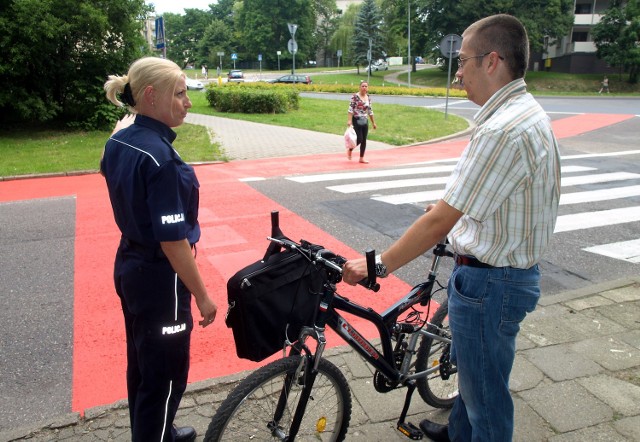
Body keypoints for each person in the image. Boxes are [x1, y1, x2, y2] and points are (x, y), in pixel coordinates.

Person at [343, 14, 561, 442]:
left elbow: (441, 220)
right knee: (477, 379)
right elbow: (504, 194)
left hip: (490, 282)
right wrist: (457, 209)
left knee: (487, 402)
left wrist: (379, 266)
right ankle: (457, 434)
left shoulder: (503, 129)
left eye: (463, 61)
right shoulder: (524, 112)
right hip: (504, 274)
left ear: (492, 61)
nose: (457, 72)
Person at [101, 57, 218, 442]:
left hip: (130, 266)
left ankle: (157, 432)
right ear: (151, 96)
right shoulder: (163, 161)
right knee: (165, 375)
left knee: (141, 363)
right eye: (180, 93)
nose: (188, 102)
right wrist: (202, 296)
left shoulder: (119, 139)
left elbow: (106, 166)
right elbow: (173, 241)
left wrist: (128, 124)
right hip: (160, 279)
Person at [347, 81, 377, 163]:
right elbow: (350, 109)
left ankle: (361, 158)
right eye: (363, 86)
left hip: (364, 120)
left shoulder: (368, 98)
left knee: (364, 140)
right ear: (359, 87)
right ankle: (350, 149)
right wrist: (349, 120)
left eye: (366, 86)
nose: (364, 88)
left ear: (368, 88)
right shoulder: (355, 97)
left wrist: (373, 122)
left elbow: (370, 111)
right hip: (356, 119)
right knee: (359, 139)